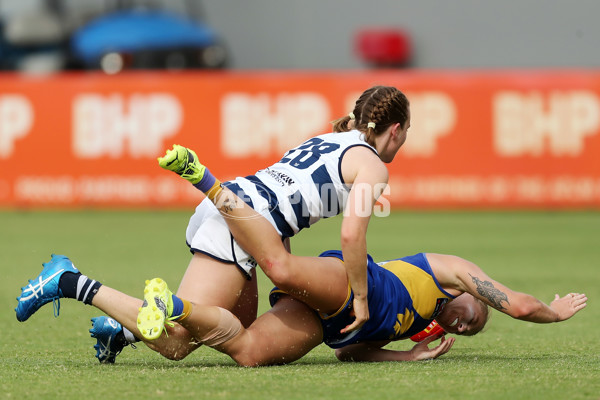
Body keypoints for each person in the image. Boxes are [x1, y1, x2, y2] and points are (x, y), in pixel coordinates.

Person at [16, 85, 412, 362]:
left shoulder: (326, 139)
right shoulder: (373, 165)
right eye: (406, 132)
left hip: (237, 203)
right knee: (176, 344)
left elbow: (286, 199)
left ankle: (120, 330)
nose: (405, 140)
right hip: (242, 223)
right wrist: (359, 298)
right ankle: (69, 281)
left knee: (236, 325)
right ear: (394, 130)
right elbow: (351, 234)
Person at [128, 184, 587, 366]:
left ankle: (162, 310)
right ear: (476, 296)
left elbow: (350, 355)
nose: (466, 324)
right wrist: (557, 312)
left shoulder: (410, 327)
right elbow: (522, 306)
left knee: (246, 350)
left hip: (330, 321)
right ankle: (211, 184)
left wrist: (408, 359)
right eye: (475, 317)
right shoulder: (449, 272)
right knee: (281, 269)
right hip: (348, 283)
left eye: (466, 331)